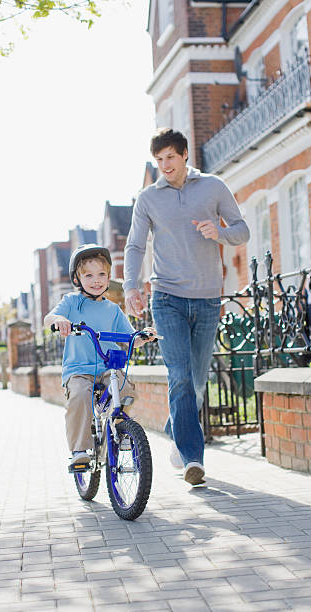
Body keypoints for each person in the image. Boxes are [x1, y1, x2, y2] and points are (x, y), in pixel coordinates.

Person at [123, 128, 250, 486]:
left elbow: (242, 231)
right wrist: (131, 285)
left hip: (208, 296)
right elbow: (134, 246)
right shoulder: (148, 198)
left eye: (170, 158)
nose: (164, 166)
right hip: (166, 296)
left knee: (195, 382)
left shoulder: (213, 187)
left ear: (184, 156)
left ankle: (176, 428)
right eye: (158, 160)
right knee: (179, 375)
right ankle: (194, 459)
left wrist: (219, 232)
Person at [44, 244, 157, 467]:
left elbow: (130, 337)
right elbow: (49, 317)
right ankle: (79, 450)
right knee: (78, 395)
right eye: (89, 275)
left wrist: (144, 336)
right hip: (79, 370)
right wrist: (59, 321)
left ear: (108, 277)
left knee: (125, 388)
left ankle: (118, 428)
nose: (96, 280)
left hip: (107, 368)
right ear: (77, 279)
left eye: (102, 274)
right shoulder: (71, 302)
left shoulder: (113, 309)